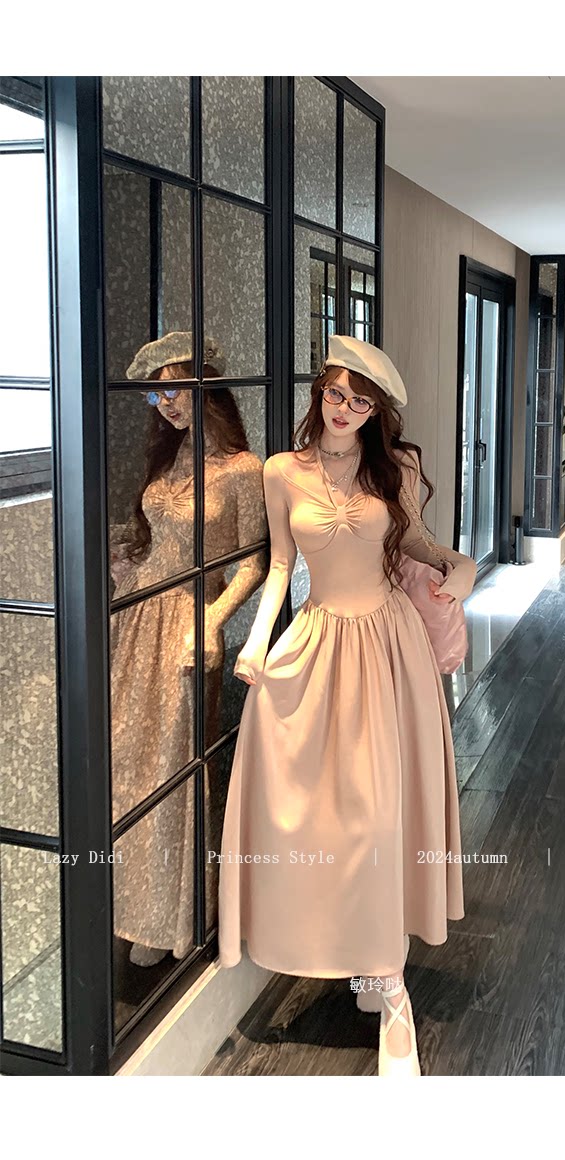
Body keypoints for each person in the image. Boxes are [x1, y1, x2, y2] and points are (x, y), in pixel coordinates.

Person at [218, 335, 477, 1077]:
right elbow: (280, 567)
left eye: (361, 403)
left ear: (375, 413)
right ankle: (358, 954)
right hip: (321, 642)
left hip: (389, 650)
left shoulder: (394, 468)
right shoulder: (281, 471)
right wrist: (257, 644)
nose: (345, 410)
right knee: (323, 815)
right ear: (319, 392)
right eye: (336, 394)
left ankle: (390, 989)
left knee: (378, 818)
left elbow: (421, 543)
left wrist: (459, 569)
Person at [110, 332, 268, 967]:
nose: (166, 404)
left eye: (175, 388)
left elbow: (254, 562)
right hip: (137, 622)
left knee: (174, 769)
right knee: (127, 763)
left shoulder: (244, 470)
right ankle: (127, 906)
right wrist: (123, 562)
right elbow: (154, 538)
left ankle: (172, 915)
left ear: (207, 387)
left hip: (188, 624)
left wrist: (212, 619)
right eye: (157, 395)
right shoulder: (171, 457)